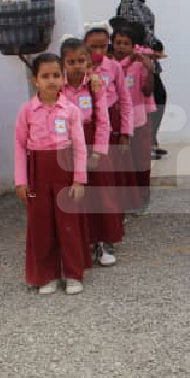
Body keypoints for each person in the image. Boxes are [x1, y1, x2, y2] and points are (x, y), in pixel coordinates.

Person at [14, 53, 90, 294]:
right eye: (45, 76)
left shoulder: (71, 110)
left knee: (68, 224)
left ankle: (73, 273)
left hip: (65, 172)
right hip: (37, 173)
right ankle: (47, 275)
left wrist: (79, 179)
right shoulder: (27, 111)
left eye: (56, 75)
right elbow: (19, 146)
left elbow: (79, 147)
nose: (51, 80)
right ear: (35, 79)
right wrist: (21, 181)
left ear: (63, 77)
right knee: (41, 225)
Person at [58, 37, 112, 263]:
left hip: (91, 145)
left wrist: (98, 151)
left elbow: (103, 120)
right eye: (71, 62)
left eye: (81, 61)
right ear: (63, 63)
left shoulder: (94, 85)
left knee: (98, 195)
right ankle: (79, 243)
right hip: (66, 146)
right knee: (73, 195)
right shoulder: (57, 87)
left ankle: (103, 243)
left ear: (88, 61)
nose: (76, 66)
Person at [84, 24, 131, 264]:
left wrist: (125, 131)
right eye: (93, 47)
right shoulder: (76, 69)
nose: (98, 51)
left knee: (108, 182)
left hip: (108, 127)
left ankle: (108, 235)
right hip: (82, 133)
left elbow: (125, 100)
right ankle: (88, 238)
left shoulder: (113, 67)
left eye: (103, 46)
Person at [114, 0, 168, 158]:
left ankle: (150, 141)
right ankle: (147, 142)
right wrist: (155, 46)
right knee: (152, 99)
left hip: (144, 57)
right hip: (137, 60)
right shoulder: (129, 3)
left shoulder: (135, 1)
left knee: (154, 99)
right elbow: (138, 30)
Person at [114, 20, 155, 211]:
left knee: (141, 159)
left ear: (133, 46)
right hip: (118, 121)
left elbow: (147, 90)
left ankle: (143, 196)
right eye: (118, 42)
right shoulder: (109, 66)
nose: (121, 47)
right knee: (123, 161)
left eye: (126, 43)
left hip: (138, 120)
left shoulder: (138, 66)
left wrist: (149, 68)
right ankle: (127, 199)